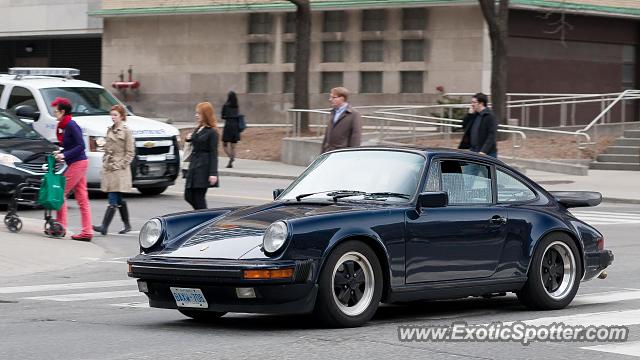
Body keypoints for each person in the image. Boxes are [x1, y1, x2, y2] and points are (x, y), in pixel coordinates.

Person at [51, 97, 93, 241]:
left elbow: (81, 146)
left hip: (78, 162)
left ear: (63, 111)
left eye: (56, 111)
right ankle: (87, 231)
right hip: (77, 162)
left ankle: (60, 227)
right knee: (82, 199)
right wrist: (61, 151)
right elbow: (71, 144)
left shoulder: (71, 125)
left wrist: (64, 155)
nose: (54, 114)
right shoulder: (64, 124)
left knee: (61, 193)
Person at [93, 105, 135, 235]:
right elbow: (108, 148)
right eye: (111, 115)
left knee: (113, 197)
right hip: (109, 167)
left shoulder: (126, 131)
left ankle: (104, 227)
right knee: (118, 197)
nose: (113, 117)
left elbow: (130, 152)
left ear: (122, 116)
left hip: (119, 169)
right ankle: (127, 224)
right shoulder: (110, 129)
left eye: (115, 115)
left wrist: (121, 164)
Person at [184, 102, 219, 210]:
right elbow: (195, 141)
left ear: (206, 114)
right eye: (196, 113)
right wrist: (189, 138)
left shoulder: (212, 132)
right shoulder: (198, 128)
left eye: (199, 113)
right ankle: (200, 214)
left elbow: (214, 153)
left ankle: (203, 218)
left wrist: (213, 173)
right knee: (188, 195)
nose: (196, 115)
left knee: (199, 197)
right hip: (194, 166)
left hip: (204, 167)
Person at [321, 87, 363, 153]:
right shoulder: (332, 112)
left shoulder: (354, 114)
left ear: (342, 98)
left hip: (342, 154)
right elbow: (326, 138)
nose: (330, 99)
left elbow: (356, 138)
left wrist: (352, 155)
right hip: (329, 154)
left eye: (333, 97)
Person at [458, 92, 498, 158]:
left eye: (474, 102)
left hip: (486, 153)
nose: (472, 104)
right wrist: (469, 115)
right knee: (469, 168)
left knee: (483, 169)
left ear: (481, 103)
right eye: (472, 102)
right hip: (473, 150)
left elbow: (492, 135)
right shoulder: (474, 115)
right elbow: (464, 126)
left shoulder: (490, 116)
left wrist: (483, 151)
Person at [221, 91, 241, 168]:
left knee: (224, 144)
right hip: (235, 127)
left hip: (228, 126)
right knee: (233, 146)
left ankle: (230, 158)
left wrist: (227, 116)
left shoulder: (225, 106)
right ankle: (231, 159)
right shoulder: (236, 106)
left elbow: (223, 116)